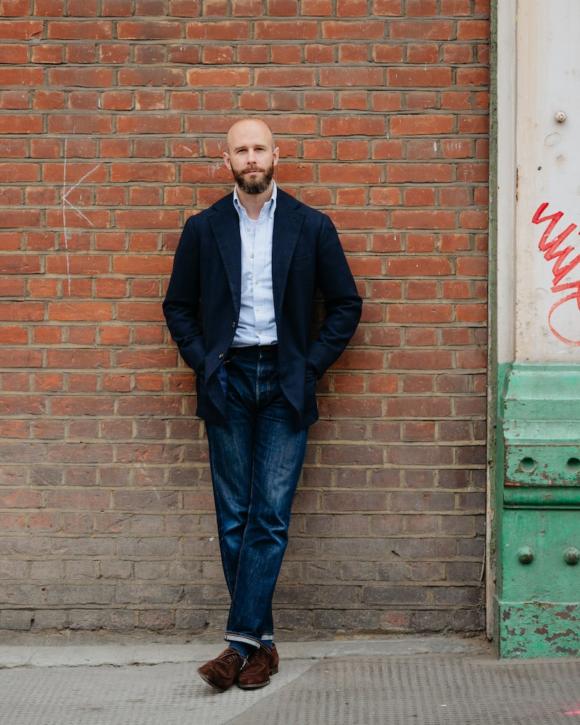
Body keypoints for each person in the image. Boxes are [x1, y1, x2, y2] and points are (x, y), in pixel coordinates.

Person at [162, 118, 362, 691]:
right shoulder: (203, 229)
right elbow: (177, 307)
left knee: (268, 516)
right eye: (240, 150)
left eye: (259, 148)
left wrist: (308, 364)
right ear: (226, 161)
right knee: (234, 520)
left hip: (285, 382)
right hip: (226, 379)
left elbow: (346, 304)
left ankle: (237, 647)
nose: (251, 158)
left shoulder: (311, 226)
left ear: (277, 155)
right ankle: (261, 646)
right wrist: (206, 361)